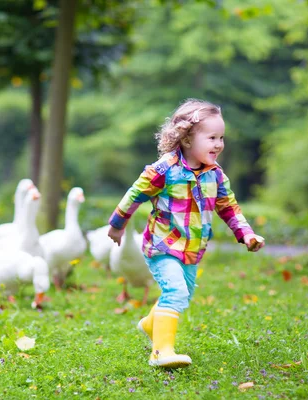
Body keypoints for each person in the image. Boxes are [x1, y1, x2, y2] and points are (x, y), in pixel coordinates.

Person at [107, 98, 265, 369]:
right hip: (162, 246)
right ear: (188, 139)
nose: (218, 144)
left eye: (221, 137)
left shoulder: (215, 175)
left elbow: (229, 208)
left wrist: (247, 234)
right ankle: (161, 352)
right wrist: (117, 224)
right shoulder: (164, 169)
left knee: (184, 294)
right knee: (176, 291)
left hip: (192, 249)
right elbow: (134, 194)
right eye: (211, 137)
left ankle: (150, 324)